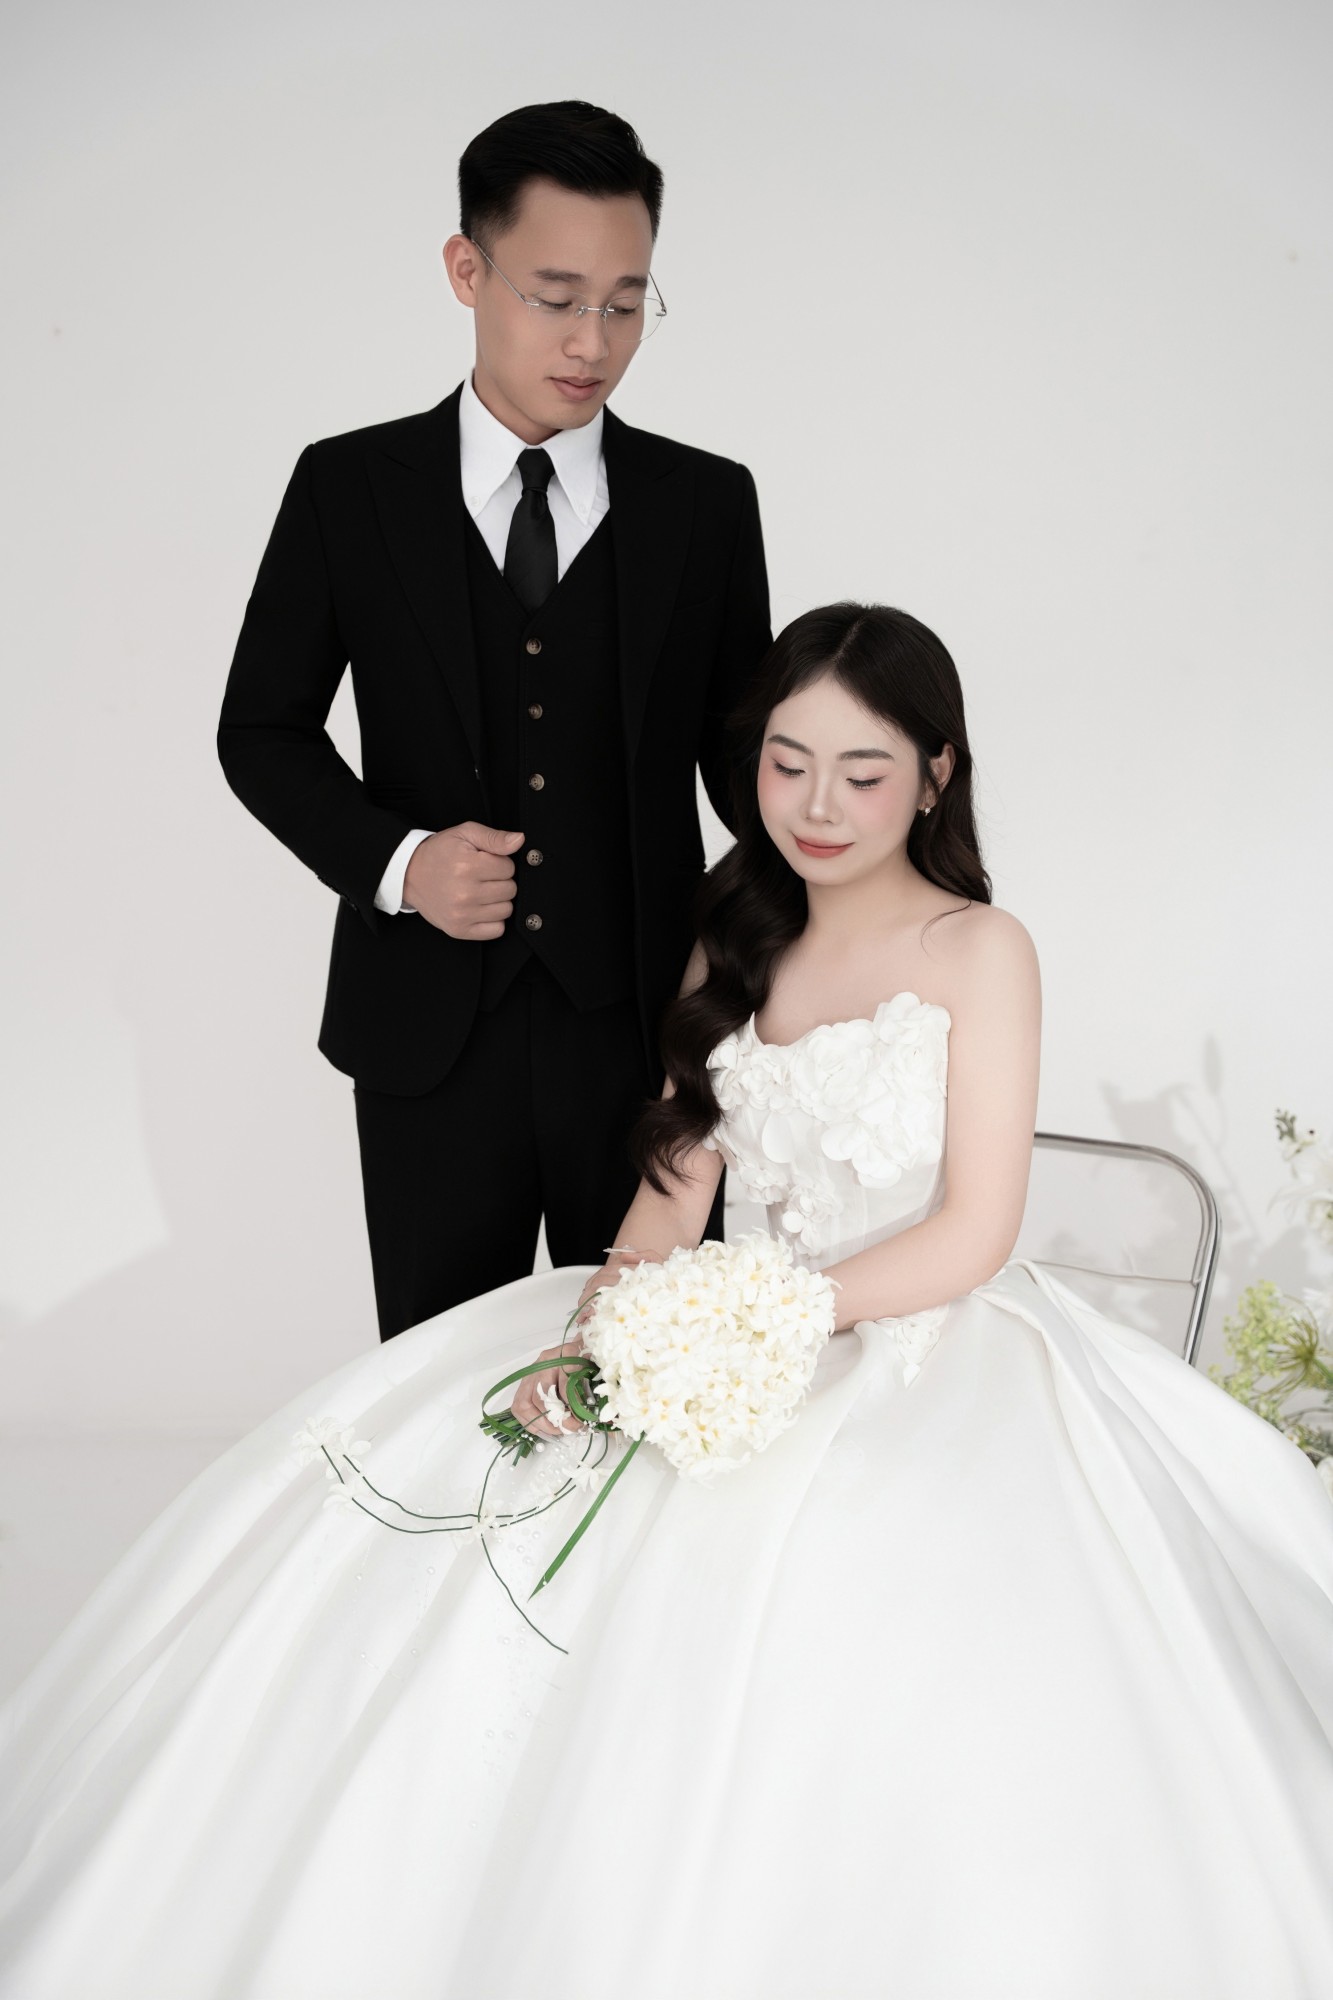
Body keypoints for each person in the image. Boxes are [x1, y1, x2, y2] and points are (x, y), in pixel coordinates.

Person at [4, 604, 1332, 2000]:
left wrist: (759, 1319)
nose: (816, 807)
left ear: (936, 775)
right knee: (488, 1482)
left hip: (916, 1330)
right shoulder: (734, 929)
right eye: (786, 763)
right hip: (717, 1319)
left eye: (863, 772)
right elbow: (672, 1184)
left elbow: (975, 1230)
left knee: (871, 1558)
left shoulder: (979, 946)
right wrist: (606, 1335)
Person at [217, 100, 770, 1338]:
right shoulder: (347, 487)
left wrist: (873, 806)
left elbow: (745, 769)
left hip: (645, 1035)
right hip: (425, 1036)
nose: (592, 341)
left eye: (625, 303)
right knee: (436, 1374)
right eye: (555, 295)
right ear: (466, 269)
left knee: (651, 1371)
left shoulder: (705, 505)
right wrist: (400, 862)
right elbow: (259, 730)